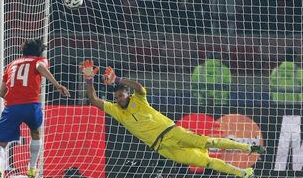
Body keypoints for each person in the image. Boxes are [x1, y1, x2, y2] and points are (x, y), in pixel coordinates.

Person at [80, 59, 265, 178]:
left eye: (121, 95)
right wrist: (89, 79)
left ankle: (248, 147)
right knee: (207, 162)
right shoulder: (116, 110)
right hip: (163, 148)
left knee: (209, 142)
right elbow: (94, 100)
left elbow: (139, 87)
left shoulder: (139, 100)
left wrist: (118, 80)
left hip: (173, 132)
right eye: (117, 97)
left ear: (127, 95)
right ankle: (243, 173)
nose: (119, 99)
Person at [0, 39, 70, 178]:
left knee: (0, 144)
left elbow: (1, 93)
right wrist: (57, 85)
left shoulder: (12, 64)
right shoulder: (40, 60)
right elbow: (40, 66)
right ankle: (32, 168)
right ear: (39, 52)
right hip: (31, 106)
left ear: (23, 51)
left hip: (12, 107)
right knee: (35, 133)